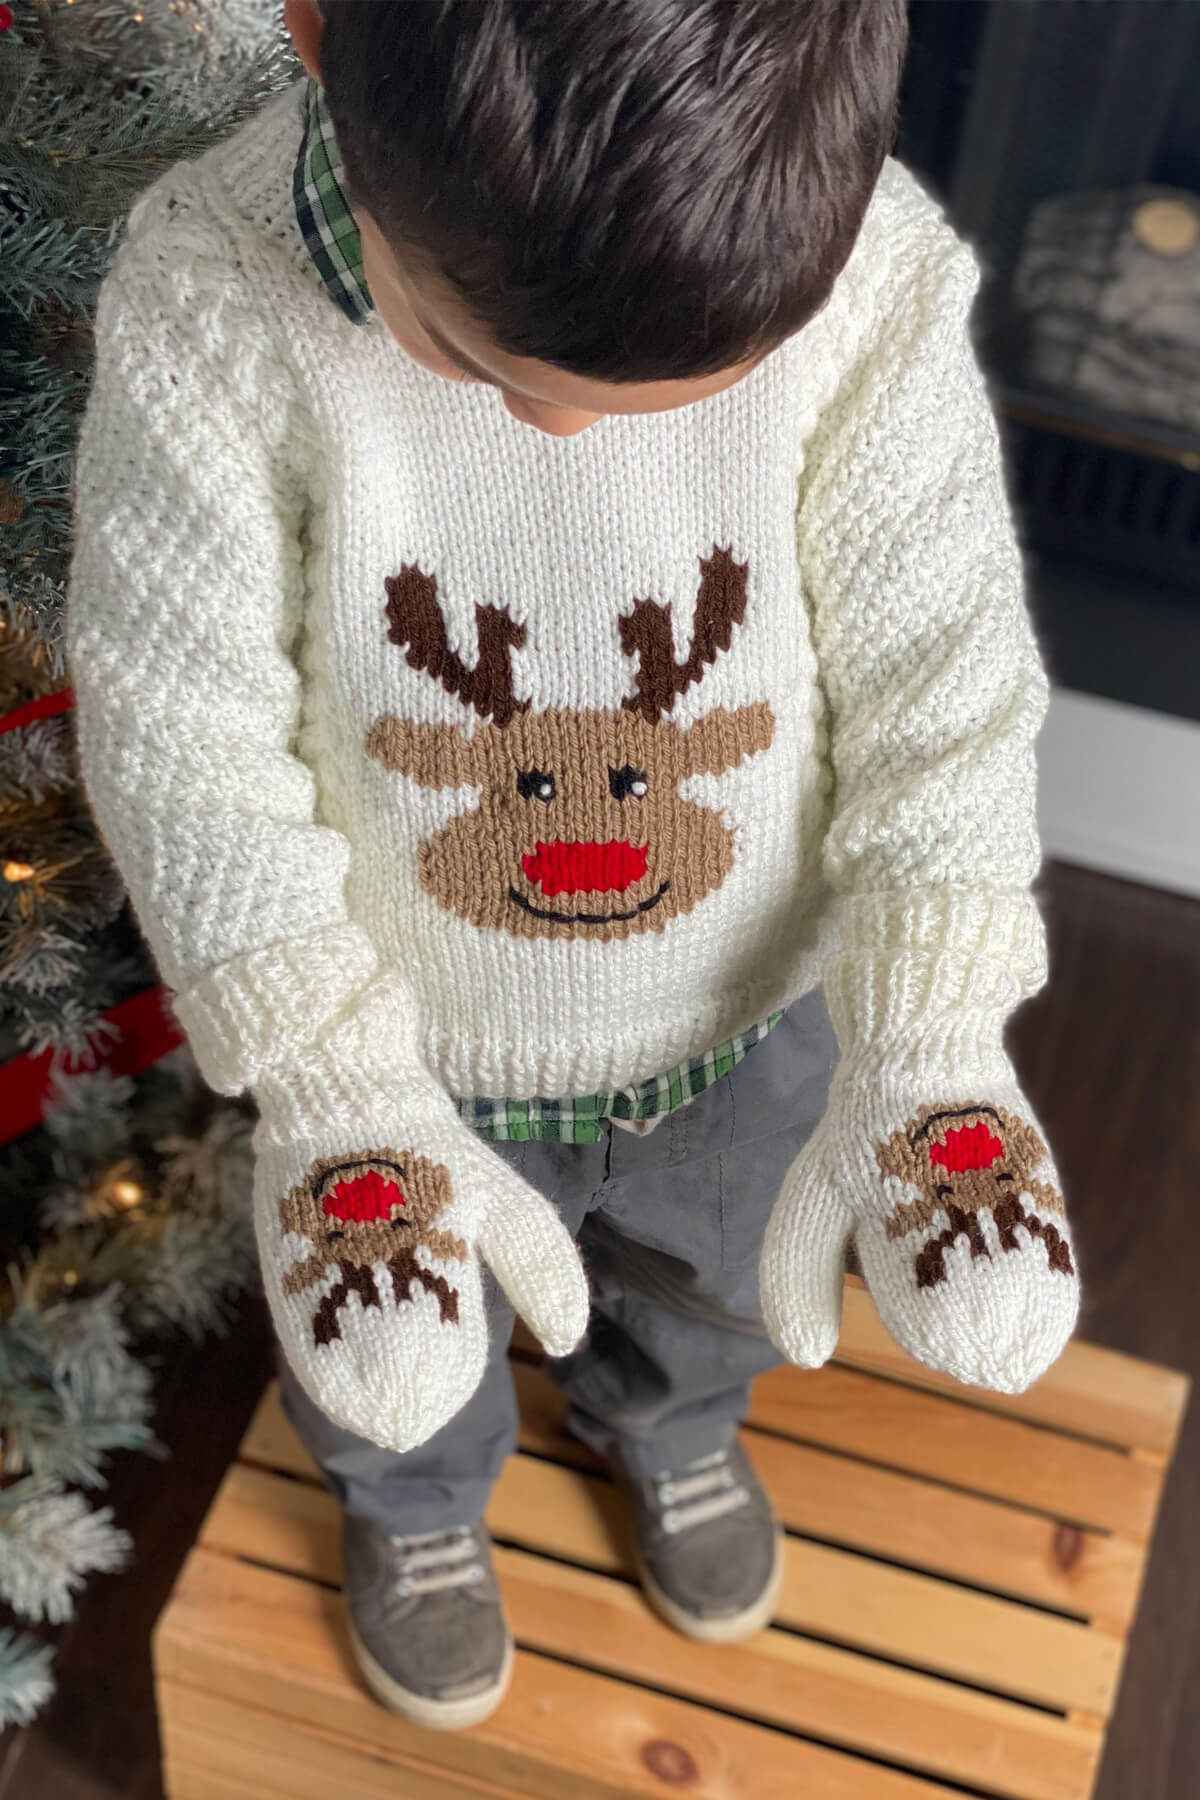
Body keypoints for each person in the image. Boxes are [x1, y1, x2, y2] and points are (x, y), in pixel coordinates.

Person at [65, 0, 1080, 1734]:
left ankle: (670, 1431)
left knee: (725, 1282)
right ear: (313, 31)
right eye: (481, 368)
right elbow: (182, 727)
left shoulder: (876, 277)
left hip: (752, 1020)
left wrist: (931, 1027)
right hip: (396, 1051)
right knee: (395, 1343)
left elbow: (943, 668)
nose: (563, 438)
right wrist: (333, 1086)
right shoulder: (212, 288)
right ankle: (420, 1511)